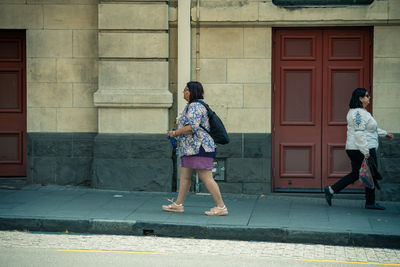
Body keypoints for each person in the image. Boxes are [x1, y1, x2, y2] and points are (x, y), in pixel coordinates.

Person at [162, 81, 228, 216]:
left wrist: (175, 133)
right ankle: (178, 205)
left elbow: (192, 126)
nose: (183, 92)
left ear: (193, 91)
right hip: (190, 149)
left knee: (206, 177)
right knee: (185, 177)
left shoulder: (195, 106)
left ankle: (221, 207)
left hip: (199, 147)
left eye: (186, 90)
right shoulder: (191, 106)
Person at [324, 88, 394, 210]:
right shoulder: (358, 114)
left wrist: (385, 133)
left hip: (358, 148)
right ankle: (370, 203)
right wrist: (366, 151)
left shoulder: (362, 112)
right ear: (360, 98)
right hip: (361, 148)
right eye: (367, 96)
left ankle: (331, 190)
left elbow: (371, 129)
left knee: (357, 173)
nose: (369, 98)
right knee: (370, 174)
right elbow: (359, 133)